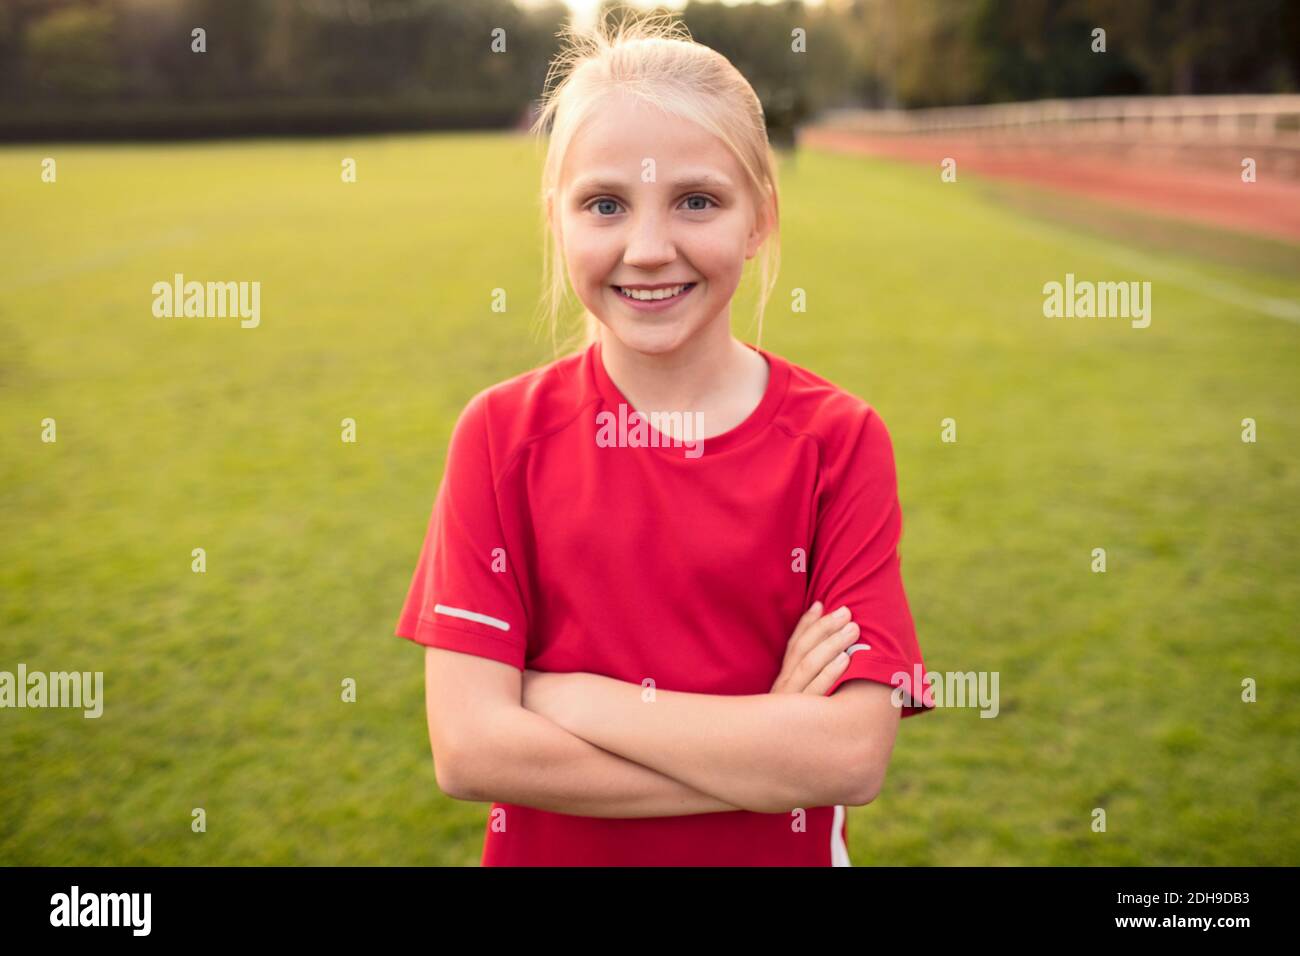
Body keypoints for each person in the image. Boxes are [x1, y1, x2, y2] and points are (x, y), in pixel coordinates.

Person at [395, 9, 935, 866]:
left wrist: (567, 699)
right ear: (557, 220)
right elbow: (471, 750)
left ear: (759, 218)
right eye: (605, 205)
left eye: (697, 202)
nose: (648, 249)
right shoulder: (500, 436)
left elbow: (849, 756)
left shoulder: (839, 442)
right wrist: (766, 751)